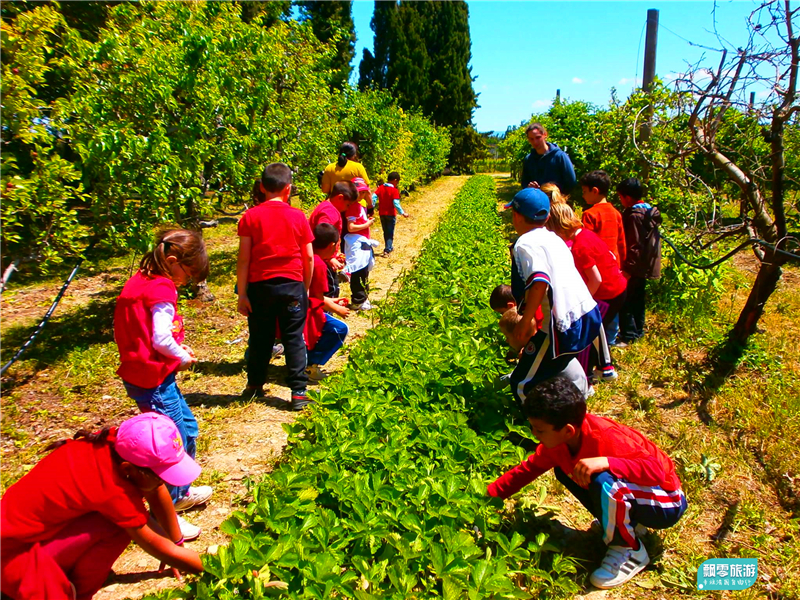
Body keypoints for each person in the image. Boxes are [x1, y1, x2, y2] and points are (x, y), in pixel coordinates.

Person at [488, 376, 687, 589]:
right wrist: (486, 498)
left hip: (667, 501)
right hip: (638, 494)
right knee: (569, 471)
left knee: (604, 480)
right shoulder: (558, 445)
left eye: (539, 429)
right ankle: (627, 526)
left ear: (567, 430)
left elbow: (655, 471)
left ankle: (629, 549)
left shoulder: (606, 436)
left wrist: (607, 462)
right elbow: (527, 470)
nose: (534, 434)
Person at [1, 413, 204, 600]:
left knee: (119, 522)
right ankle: (76, 592)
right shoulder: (111, 487)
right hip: (13, 554)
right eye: (161, 475)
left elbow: (155, 489)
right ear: (128, 470)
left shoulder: (117, 445)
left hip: (31, 535)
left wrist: (177, 543)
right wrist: (216, 568)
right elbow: (159, 547)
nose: (166, 482)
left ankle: (69, 576)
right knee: (120, 526)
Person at [114, 229, 212, 539]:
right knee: (170, 444)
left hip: (150, 375)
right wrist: (181, 356)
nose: (187, 281)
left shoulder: (141, 282)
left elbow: (148, 334)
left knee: (188, 428)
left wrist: (177, 352)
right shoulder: (162, 290)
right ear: (171, 261)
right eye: (188, 273)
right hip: (152, 380)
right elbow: (160, 338)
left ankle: (179, 492)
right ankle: (164, 509)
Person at [506, 188, 601, 405]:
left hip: (562, 325)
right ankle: (575, 400)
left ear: (516, 216)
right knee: (557, 362)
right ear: (547, 217)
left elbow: (539, 281)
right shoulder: (554, 238)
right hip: (587, 313)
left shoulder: (525, 243)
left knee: (521, 383)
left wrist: (525, 321)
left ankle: (537, 431)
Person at [237, 163, 314, 411]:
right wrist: (306, 288)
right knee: (293, 337)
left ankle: (254, 385)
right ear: (288, 189)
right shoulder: (298, 216)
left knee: (261, 337)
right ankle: (299, 392)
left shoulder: (250, 217)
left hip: (260, 287)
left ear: (261, 187)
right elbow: (309, 257)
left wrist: (243, 293)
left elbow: (244, 258)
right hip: (292, 285)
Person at [547, 200, 627, 382]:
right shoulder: (586, 235)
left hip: (608, 294)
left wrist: (583, 303)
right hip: (617, 287)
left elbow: (596, 279)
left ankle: (588, 373)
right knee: (598, 330)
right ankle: (603, 365)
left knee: (589, 331)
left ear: (560, 227)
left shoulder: (580, 246)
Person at [580, 170, 626, 345]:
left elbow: (587, 244)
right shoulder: (616, 213)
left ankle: (597, 343)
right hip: (614, 270)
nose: (583, 195)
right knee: (612, 312)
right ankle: (610, 340)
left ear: (594, 190)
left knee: (599, 309)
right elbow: (622, 243)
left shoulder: (590, 215)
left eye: (584, 191)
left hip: (598, 270)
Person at [617, 178, 662, 346]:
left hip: (634, 266)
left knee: (626, 300)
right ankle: (638, 331)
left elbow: (634, 244)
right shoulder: (648, 212)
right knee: (638, 299)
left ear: (627, 197)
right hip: (644, 265)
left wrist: (628, 268)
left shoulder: (634, 216)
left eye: (620, 197)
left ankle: (628, 335)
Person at [305, 223, 350, 381]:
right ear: (333, 245)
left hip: (296, 306)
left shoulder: (309, 257)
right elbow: (316, 298)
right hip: (307, 311)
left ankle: (302, 359)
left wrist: (332, 300)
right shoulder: (318, 265)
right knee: (339, 329)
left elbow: (311, 293)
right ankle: (310, 364)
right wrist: (337, 309)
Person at [309, 181, 356, 297]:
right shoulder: (329, 212)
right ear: (340, 198)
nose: (347, 208)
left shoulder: (328, 207)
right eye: (348, 204)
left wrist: (335, 254)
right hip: (323, 261)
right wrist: (330, 258)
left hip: (325, 257)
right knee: (330, 291)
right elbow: (323, 235)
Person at [344, 181, 378, 310]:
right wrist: (367, 224)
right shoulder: (353, 207)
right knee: (358, 271)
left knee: (363, 271)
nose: (362, 194)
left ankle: (363, 299)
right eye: (360, 192)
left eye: (364, 192)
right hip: (356, 243)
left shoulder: (359, 205)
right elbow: (351, 227)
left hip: (361, 241)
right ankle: (358, 300)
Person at [520, 123, 577, 194]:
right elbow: (524, 182)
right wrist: (529, 187)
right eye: (531, 139)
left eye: (538, 137)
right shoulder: (529, 159)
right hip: (537, 202)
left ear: (545, 135)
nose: (535, 142)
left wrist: (556, 195)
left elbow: (571, 182)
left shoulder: (560, 156)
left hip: (557, 202)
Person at [374, 172, 409, 257]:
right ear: (395, 180)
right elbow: (395, 203)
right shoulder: (394, 190)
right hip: (390, 214)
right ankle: (387, 250)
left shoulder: (381, 188)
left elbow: (373, 196)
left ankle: (388, 246)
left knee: (385, 231)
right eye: (397, 182)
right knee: (390, 232)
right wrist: (402, 213)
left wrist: (371, 206)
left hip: (382, 213)